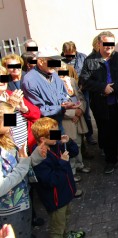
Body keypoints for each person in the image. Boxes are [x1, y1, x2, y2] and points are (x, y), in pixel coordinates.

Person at [80, 31, 118, 174]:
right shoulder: (89, 61)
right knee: (107, 134)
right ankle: (111, 160)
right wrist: (102, 88)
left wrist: (113, 87)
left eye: (111, 44)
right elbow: (84, 81)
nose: (109, 47)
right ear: (99, 44)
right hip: (102, 106)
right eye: (105, 43)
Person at [31, 117, 85, 238]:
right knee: (57, 228)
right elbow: (50, 180)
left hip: (65, 194)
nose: (58, 135)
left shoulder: (55, 144)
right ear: (43, 139)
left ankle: (66, 235)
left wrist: (68, 142)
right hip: (56, 200)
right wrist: (62, 162)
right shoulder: (40, 157)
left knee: (65, 219)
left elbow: (74, 152)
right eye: (54, 133)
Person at [0, 101, 46, 238]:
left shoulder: (6, 139)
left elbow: (21, 164)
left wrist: (36, 156)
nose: (13, 122)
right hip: (8, 212)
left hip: (21, 202)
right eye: (9, 118)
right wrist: (23, 164)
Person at [22, 46, 79, 133]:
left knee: (63, 144)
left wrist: (66, 102)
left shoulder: (54, 74)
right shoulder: (30, 80)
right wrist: (61, 107)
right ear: (41, 61)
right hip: (45, 127)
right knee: (53, 144)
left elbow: (62, 93)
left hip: (58, 122)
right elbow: (39, 109)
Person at [58, 62, 90, 185]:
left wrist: (80, 111)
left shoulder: (71, 80)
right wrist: (72, 114)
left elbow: (81, 97)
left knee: (79, 142)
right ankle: (72, 171)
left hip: (78, 117)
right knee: (69, 145)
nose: (62, 72)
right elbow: (58, 106)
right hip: (66, 120)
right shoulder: (55, 84)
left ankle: (80, 164)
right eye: (60, 70)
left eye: (64, 69)